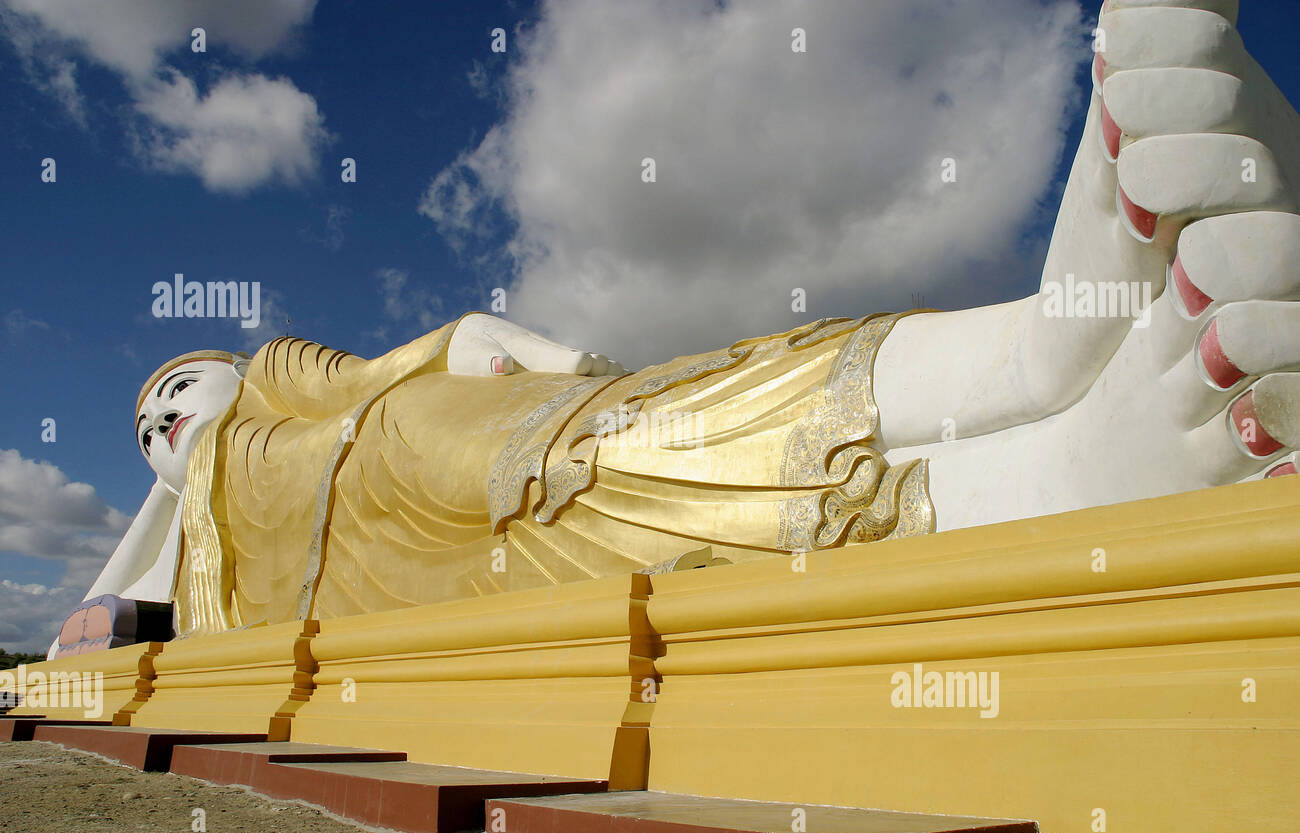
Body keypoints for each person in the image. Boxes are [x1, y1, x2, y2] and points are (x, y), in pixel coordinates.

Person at [49, 0, 1300, 654]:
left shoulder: (283, 377)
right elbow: (108, 629)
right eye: (147, 425)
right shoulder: (191, 555)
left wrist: (537, 357)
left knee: (657, 423)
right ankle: (1064, 463)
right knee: (645, 525)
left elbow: (444, 346)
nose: (162, 416)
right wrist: (116, 599)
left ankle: (1048, 337)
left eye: (177, 385)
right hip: (438, 580)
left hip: (457, 442)